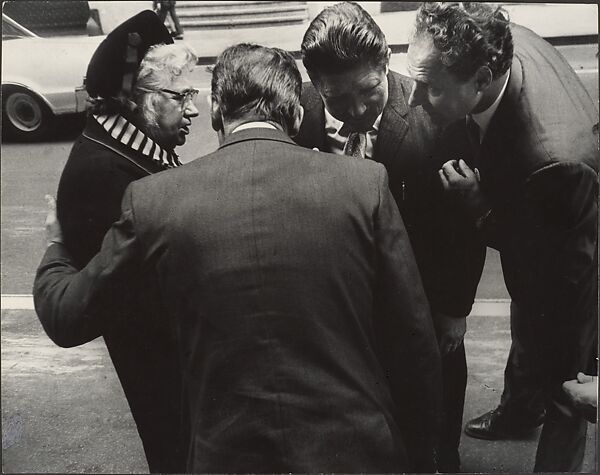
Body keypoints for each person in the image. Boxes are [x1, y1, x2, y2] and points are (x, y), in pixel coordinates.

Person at [34, 42, 442, 473]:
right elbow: (414, 341)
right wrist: (419, 455)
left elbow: (67, 316)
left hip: (226, 457)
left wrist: (56, 247)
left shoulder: (153, 200)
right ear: (297, 115)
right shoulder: (364, 185)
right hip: (355, 451)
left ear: (216, 115)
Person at [406, 2, 598, 471]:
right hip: (547, 210)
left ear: (481, 77)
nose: (413, 99)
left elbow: (551, 263)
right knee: (526, 309)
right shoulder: (495, 43)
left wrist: (479, 208)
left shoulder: (553, 159)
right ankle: (518, 411)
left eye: (430, 86)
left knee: (566, 377)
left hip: (575, 259)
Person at [294, 2, 485, 471]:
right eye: (337, 99)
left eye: (368, 91)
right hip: (338, 314)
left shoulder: (439, 119)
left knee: (434, 442)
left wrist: (454, 311)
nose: (356, 110)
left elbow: (463, 230)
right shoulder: (298, 115)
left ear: (386, 64)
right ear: (316, 86)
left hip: (425, 310)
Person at [49, 10, 199, 473]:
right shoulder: (104, 174)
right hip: (161, 366)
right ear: (141, 99)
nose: (193, 108)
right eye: (182, 95)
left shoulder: (132, 148)